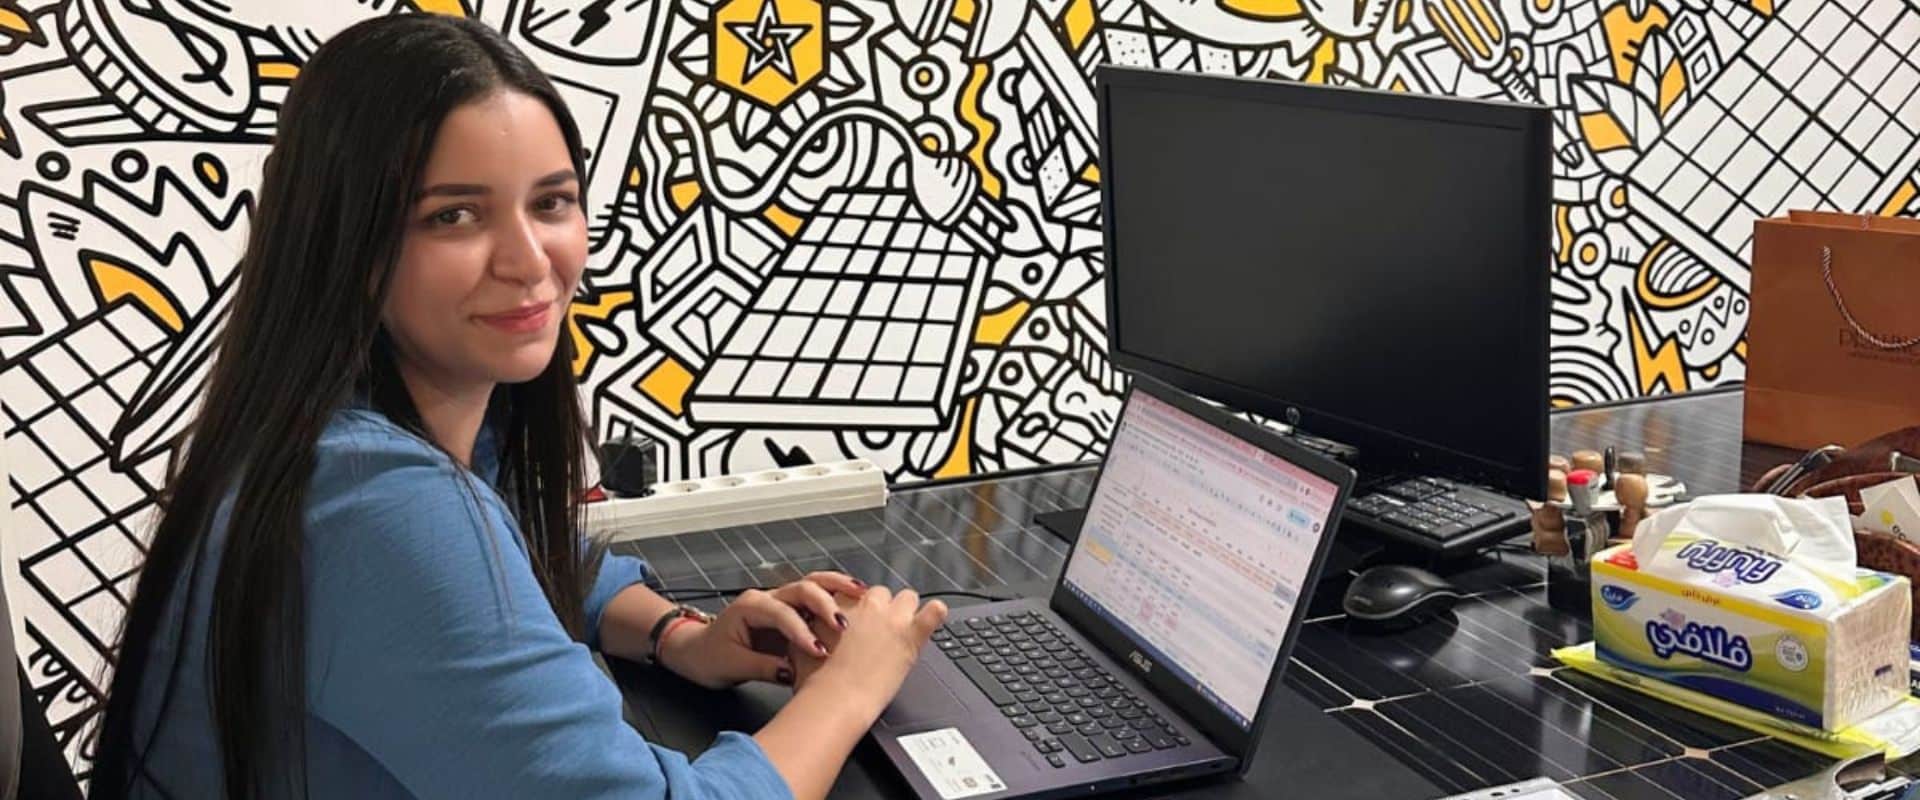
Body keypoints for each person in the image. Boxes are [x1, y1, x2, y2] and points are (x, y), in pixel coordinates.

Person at [89, 14, 946, 800]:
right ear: (344, 239)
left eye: (551, 202)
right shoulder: (377, 503)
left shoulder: (363, 425)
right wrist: (850, 686)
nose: (530, 260)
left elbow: (533, 553)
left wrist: (680, 636)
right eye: (455, 216)